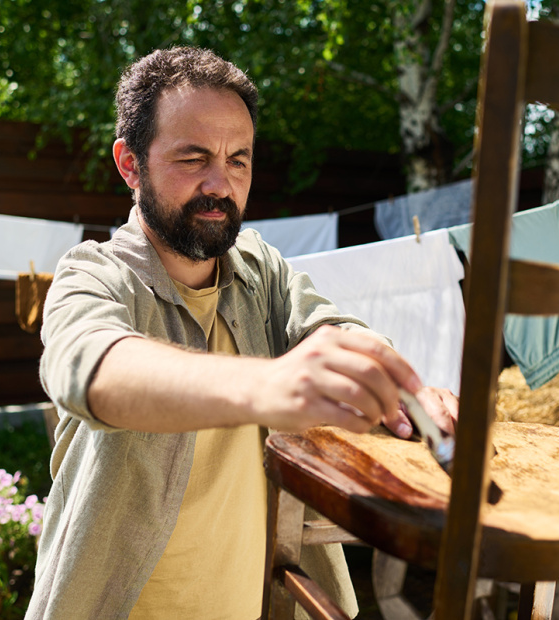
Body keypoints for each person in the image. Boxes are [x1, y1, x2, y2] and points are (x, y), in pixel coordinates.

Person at [26, 47, 457, 620]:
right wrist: (269, 385)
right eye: (194, 157)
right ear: (130, 164)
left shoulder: (259, 265)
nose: (220, 184)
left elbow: (332, 328)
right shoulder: (93, 273)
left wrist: (404, 388)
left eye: (238, 161)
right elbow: (91, 370)